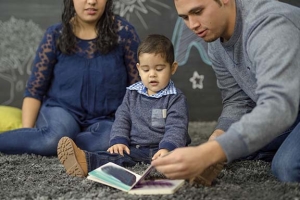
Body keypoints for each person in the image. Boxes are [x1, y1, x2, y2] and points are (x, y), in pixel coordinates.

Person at [152, 0, 300, 183]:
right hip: (291, 109)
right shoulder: (214, 38)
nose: (192, 25)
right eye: (185, 17)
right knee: (233, 149)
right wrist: (217, 139)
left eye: (198, 11)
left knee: (287, 167)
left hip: (286, 106)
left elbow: (279, 107)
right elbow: (238, 100)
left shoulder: (269, 25)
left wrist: (211, 152)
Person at [0, 0, 140, 155]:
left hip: (106, 117)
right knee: (55, 137)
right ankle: (59, 142)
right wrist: (27, 133)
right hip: (61, 110)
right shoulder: (55, 35)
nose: (92, 1)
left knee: (110, 141)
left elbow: (137, 87)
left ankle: (65, 145)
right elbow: (34, 89)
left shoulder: (125, 34)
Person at [56, 34, 191, 177]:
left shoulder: (175, 98)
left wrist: (167, 148)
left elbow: (177, 127)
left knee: (182, 158)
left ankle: (200, 170)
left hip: (165, 149)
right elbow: (122, 118)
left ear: (173, 67)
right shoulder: (132, 93)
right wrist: (119, 140)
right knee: (116, 156)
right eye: (146, 70)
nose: (152, 75)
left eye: (159, 69)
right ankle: (85, 161)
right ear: (138, 69)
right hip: (136, 149)